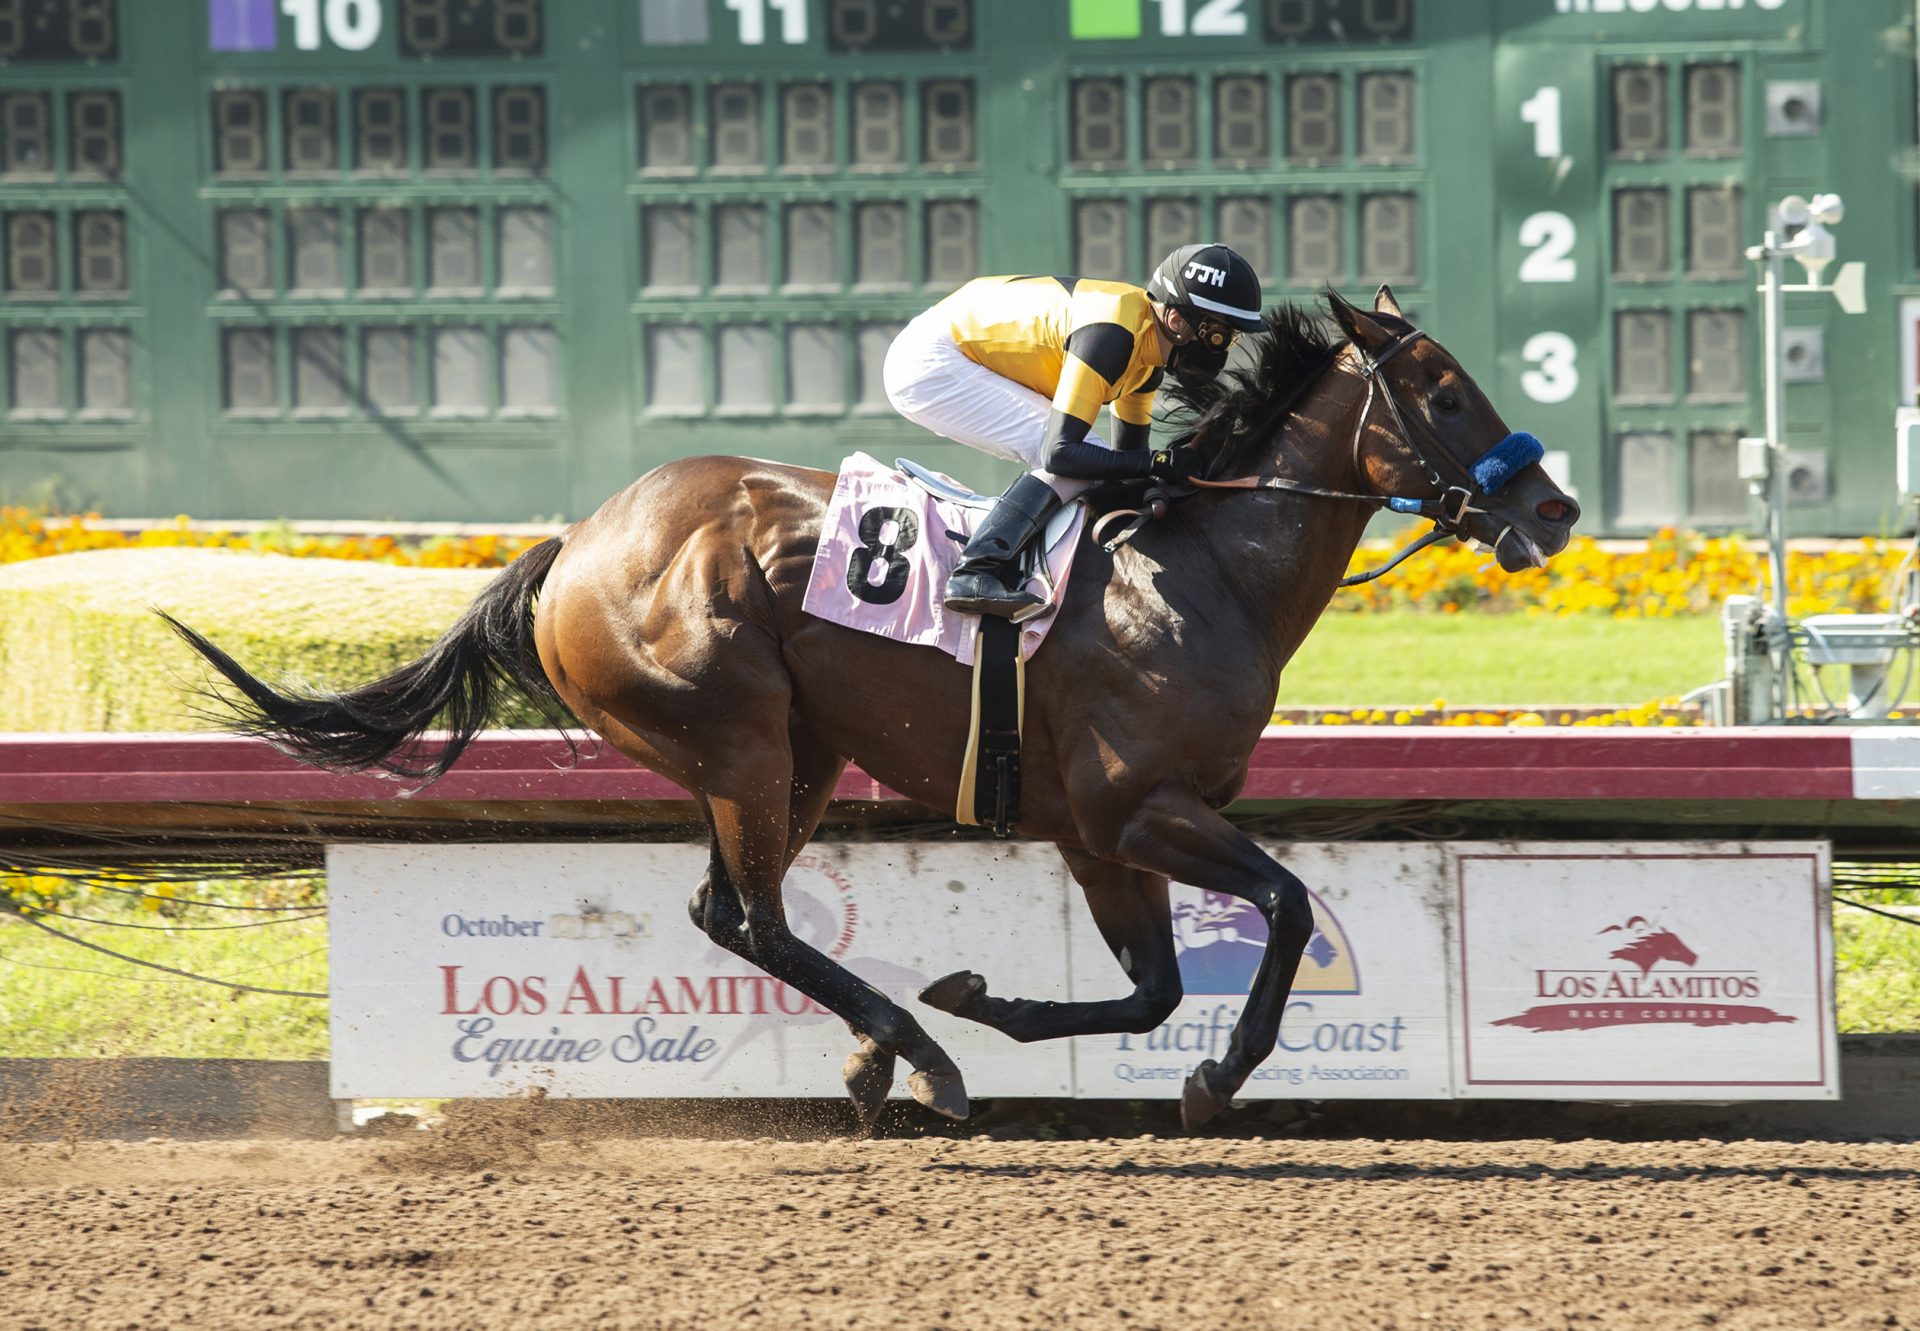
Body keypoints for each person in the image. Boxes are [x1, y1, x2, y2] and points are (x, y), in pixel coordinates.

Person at [883, 243, 1267, 619]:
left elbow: (1126, 468)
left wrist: (1158, 480)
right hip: (930, 360)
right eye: (1219, 334)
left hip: (953, 346)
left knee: (1098, 466)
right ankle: (974, 572)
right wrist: (1161, 462)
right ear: (1178, 321)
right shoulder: (1114, 335)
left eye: (1231, 337)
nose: (1223, 349)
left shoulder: (1147, 361)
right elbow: (1062, 454)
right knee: (1075, 458)